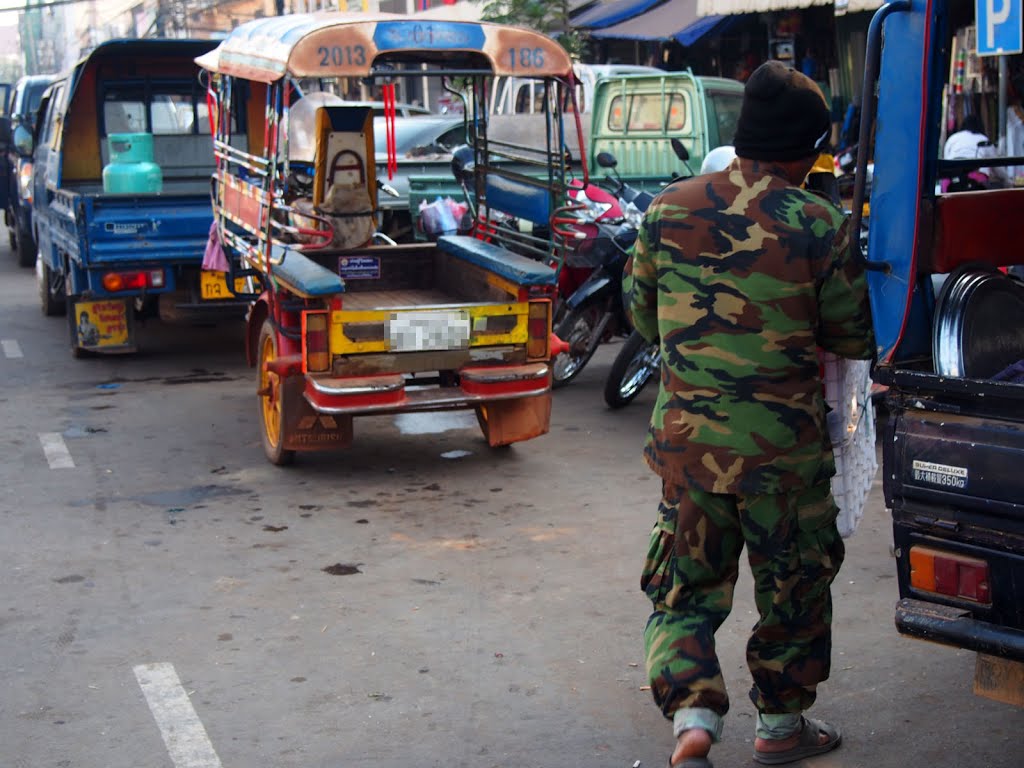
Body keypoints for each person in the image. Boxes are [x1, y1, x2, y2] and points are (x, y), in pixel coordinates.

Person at [623, 61, 874, 768]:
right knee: (794, 587)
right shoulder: (821, 223)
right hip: (782, 458)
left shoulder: (670, 208)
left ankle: (695, 718)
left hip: (690, 452)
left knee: (684, 592)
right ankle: (782, 728)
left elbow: (641, 314)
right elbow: (852, 338)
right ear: (803, 150)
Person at [943, 114, 1001, 189]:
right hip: (976, 180)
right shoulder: (983, 139)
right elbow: (998, 166)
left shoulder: (952, 138)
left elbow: (946, 159)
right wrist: (1008, 183)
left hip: (949, 180)